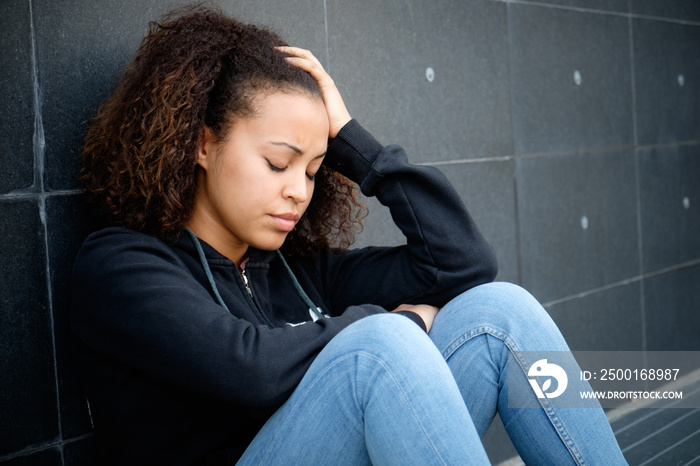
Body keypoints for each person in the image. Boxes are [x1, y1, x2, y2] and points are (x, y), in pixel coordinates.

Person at [71, 4, 627, 465]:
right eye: (277, 162)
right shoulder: (122, 265)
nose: (298, 190)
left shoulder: (299, 270)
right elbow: (250, 369)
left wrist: (352, 142)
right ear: (202, 144)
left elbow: (463, 263)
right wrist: (399, 323)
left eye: (314, 170)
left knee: (499, 312)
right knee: (378, 348)